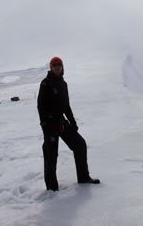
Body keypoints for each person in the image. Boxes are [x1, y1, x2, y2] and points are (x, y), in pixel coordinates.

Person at [37, 56, 100, 191]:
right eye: (54, 66)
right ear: (51, 68)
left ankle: (83, 177)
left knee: (80, 144)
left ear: (62, 67)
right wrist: (45, 126)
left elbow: (66, 106)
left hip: (61, 122)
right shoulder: (45, 84)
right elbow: (40, 107)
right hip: (50, 125)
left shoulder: (63, 84)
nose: (57, 67)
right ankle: (52, 189)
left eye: (59, 65)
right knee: (51, 155)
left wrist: (72, 122)